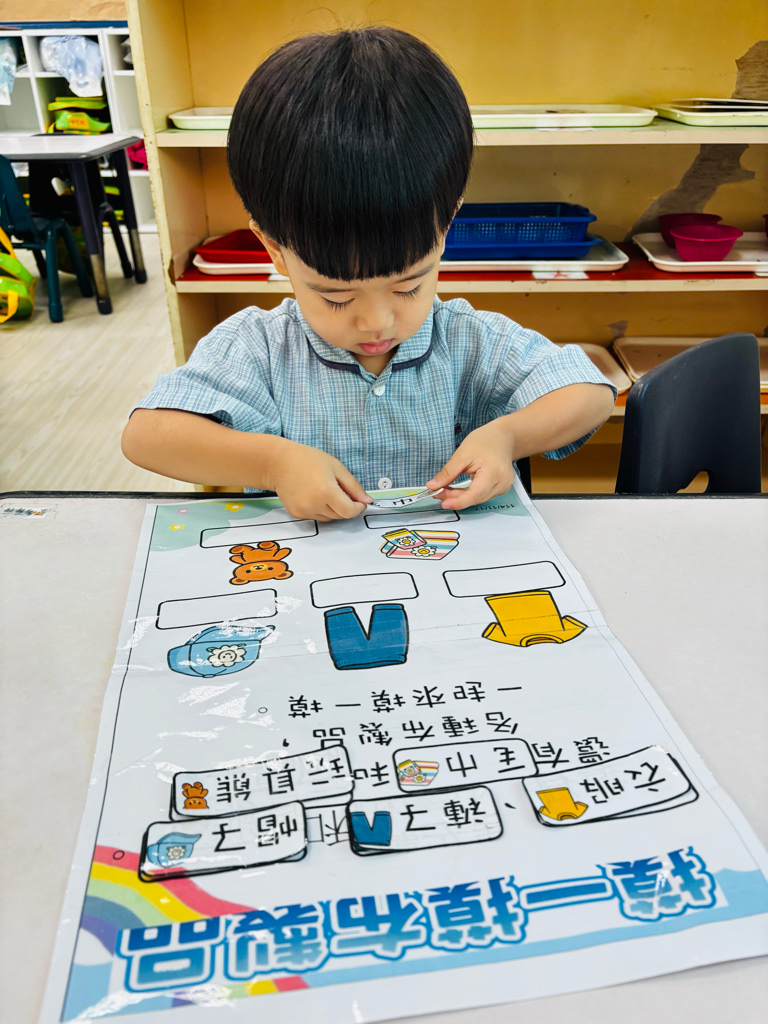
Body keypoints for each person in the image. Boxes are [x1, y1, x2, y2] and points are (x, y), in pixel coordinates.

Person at [122, 27, 615, 521]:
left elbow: (589, 394)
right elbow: (145, 436)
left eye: (409, 286)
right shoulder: (260, 350)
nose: (377, 321)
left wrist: (506, 437)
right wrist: (273, 463)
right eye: (336, 296)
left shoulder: (469, 341)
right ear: (274, 249)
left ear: (445, 228)